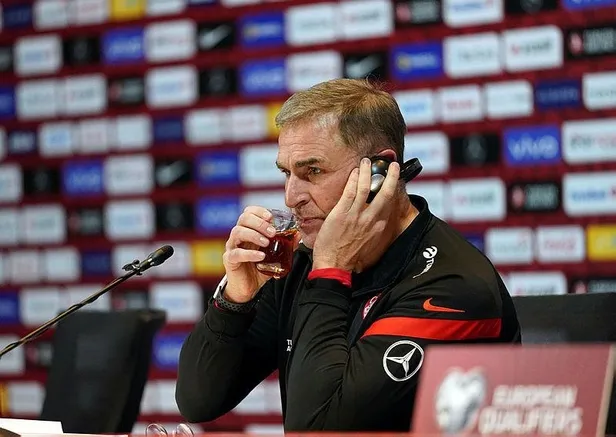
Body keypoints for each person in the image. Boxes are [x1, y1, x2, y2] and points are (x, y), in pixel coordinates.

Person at [175, 78, 521, 432]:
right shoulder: (302, 260)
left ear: (379, 172)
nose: (292, 197)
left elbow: (317, 430)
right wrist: (235, 300)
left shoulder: (452, 288)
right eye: (287, 173)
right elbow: (198, 401)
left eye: (313, 171)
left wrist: (330, 272)